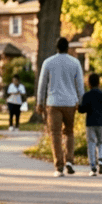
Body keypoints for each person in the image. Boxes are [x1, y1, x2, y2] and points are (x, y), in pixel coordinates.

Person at [38, 37, 86, 177]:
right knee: (69, 132)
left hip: (53, 103)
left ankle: (59, 166)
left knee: (55, 134)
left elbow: (42, 85)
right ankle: (69, 161)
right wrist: (81, 101)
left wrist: (40, 102)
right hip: (70, 103)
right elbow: (80, 85)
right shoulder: (75, 62)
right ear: (68, 47)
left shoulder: (48, 62)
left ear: (56, 47)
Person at [79, 73, 102, 176]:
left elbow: (82, 109)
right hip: (101, 122)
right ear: (99, 82)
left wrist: (78, 106)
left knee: (91, 143)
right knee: (100, 142)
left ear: (89, 83)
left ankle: (93, 167)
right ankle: (101, 161)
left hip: (90, 122)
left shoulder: (87, 95)